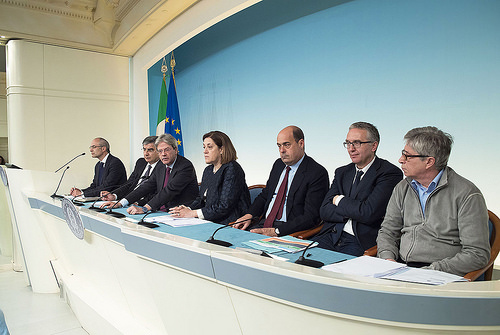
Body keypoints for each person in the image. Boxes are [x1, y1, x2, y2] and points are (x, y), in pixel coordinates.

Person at [377, 126, 490, 276]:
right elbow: (388, 231)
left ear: (429, 162)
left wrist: (431, 271)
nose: (400, 160)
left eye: (407, 156)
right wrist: (387, 259)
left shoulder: (468, 194)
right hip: (401, 268)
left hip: (442, 274)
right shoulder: (402, 187)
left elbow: (477, 254)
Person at [314, 122, 402, 256]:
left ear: (374, 146)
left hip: (359, 242)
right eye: (348, 143)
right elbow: (324, 210)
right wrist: (356, 210)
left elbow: (369, 213)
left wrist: (339, 200)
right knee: (296, 264)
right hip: (331, 235)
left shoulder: (389, 173)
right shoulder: (342, 172)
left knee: (335, 275)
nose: (351, 149)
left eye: (357, 143)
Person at [234, 126, 329, 237]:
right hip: (263, 224)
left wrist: (277, 231)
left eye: (286, 145)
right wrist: (249, 215)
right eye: (279, 146)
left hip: (288, 231)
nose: (282, 150)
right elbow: (265, 196)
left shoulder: (316, 173)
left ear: (301, 143)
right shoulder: (278, 165)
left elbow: (311, 217)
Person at [169, 131, 251, 224]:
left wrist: (193, 213)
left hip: (230, 223)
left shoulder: (232, 169)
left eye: (210, 147)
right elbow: (201, 199)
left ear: (221, 149)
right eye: (204, 147)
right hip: (210, 220)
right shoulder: (208, 170)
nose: (205, 151)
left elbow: (224, 206)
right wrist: (187, 209)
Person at [125, 133, 198, 214]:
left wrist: (145, 208)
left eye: (167, 150)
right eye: (160, 151)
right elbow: (147, 186)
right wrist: (123, 202)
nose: (163, 154)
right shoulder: (161, 165)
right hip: (160, 212)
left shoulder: (185, 166)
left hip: (179, 213)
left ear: (176, 150)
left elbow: (169, 191)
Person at [100, 136, 160, 207]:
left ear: (159, 151)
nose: (146, 153)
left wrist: (138, 202)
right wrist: (114, 196)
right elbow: (128, 184)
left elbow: (157, 193)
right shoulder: (141, 162)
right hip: (128, 202)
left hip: (144, 205)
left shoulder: (162, 167)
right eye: (144, 149)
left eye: (150, 150)